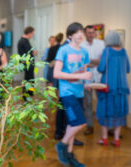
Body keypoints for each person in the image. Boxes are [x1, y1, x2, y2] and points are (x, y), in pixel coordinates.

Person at [54, 22, 92, 167]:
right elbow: (56, 73)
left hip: (79, 92)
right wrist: (78, 76)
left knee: (71, 124)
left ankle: (70, 157)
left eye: (81, 31)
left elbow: (84, 72)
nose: (80, 34)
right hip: (67, 92)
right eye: (77, 32)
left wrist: (87, 82)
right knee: (80, 122)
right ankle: (62, 145)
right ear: (70, 35)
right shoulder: (63, 50)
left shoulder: (84, 52)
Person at [96, 31, 130, 147]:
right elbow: (128, 69)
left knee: (104, 111)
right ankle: (116, 140)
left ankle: (104, 139)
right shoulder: (124, 51)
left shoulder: (107, 51)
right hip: (121, 87)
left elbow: (101, 68)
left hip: (108, 86)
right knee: (119, 112)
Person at [81, 25, 105, 135]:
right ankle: (90, 126)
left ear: (95, 33)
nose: (91, 35)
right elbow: (82, 63)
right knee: (88, 103)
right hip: (87, 78)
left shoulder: (101, 44)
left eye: (92, 33)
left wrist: (89, 61)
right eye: (89, 33)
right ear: (85, 34)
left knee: (103, 101)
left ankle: (107, 127)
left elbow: (103, 61)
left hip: (100, 77)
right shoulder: (81, 45)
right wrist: (95, 62)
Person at [17, 26, 38, 98]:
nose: (33, 35)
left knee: (28, 79)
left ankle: (29, 93)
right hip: (27, 63)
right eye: (33, 33)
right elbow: (27, 54)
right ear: (29, 33)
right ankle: (27, 94)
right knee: (29, 79)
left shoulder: (23, 40)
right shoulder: (24, 41)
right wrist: (33, 53)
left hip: (27, 63)